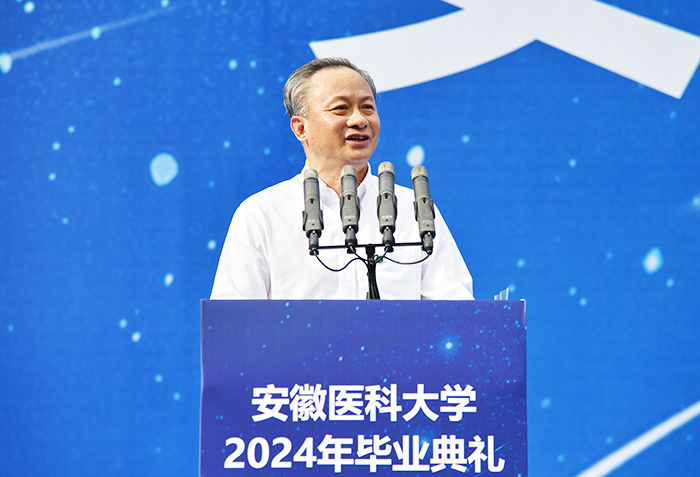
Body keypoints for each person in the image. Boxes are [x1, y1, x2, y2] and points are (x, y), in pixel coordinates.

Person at [211, 57, 473, 300]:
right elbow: (235, 322)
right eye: (341, 108)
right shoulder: (263, 214)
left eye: (367, 107)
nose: (359, 120)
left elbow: (455, 310)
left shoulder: (413, 210)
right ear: (300, 128)